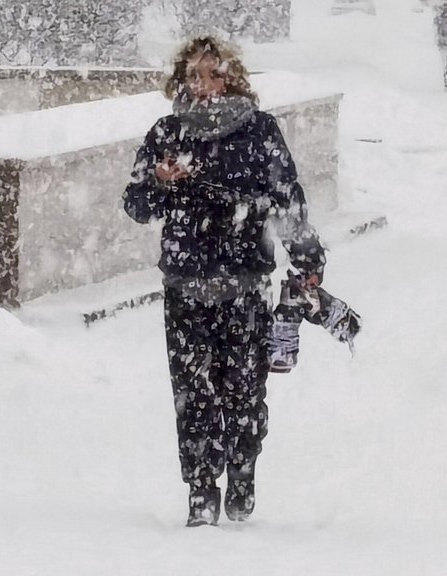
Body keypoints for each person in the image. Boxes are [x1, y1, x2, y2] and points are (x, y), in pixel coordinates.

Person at [122, 36, 326, 527]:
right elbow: (136, 205)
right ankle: (200, 490)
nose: (204, 85)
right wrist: (159, 183)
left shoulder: (259, 132)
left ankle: (241, 470)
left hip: (246, 286)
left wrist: (308, 260)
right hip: (185, 285)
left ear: (233, 77)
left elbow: (286, 201)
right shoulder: (167, 133)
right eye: (194, 75)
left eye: (213, 74)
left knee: (243, 390)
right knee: (193, 394)